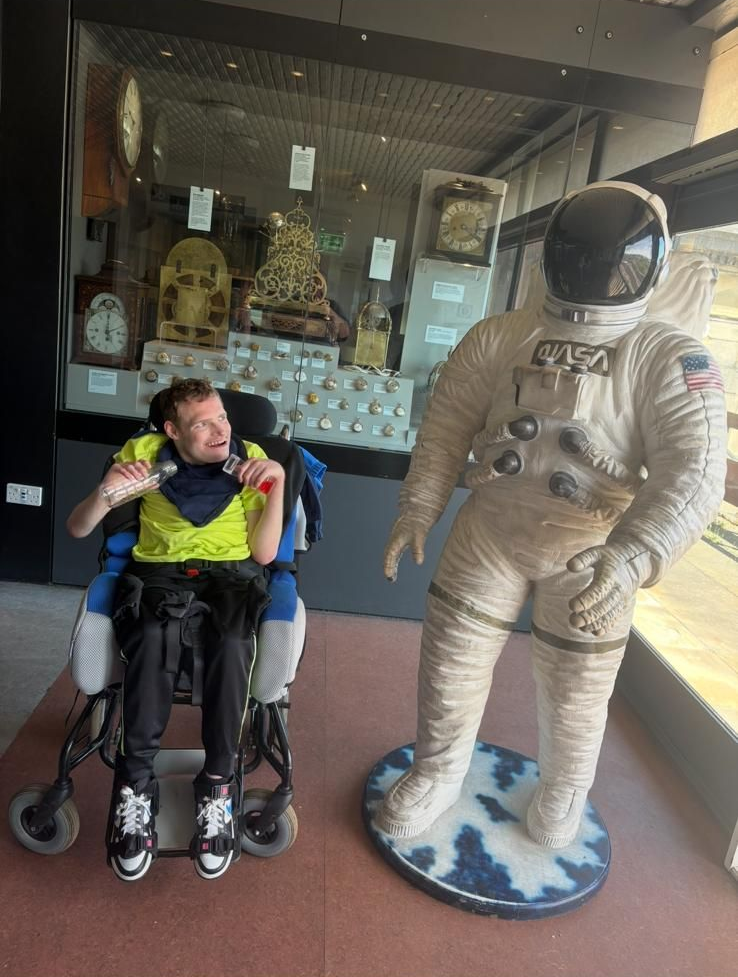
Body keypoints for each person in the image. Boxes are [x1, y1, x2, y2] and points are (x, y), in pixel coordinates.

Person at [379, 181, 727, 847]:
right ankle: (438, 769)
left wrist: (632, 555)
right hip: (492, 528)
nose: (595, 272)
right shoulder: (503, 336)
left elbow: (696, 469)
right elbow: (447, 424)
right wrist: (417, 507)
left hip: (592, 548)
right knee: (451, 659)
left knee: (575, 688)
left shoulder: (668, 358)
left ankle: (565, 789)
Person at [67, 378, 285, 882]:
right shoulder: (144, 454)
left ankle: (217, 785)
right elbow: (79, 528)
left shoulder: (248, 460)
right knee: (154, 636)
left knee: (232, 644)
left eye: (223, 417)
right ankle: (135, 785)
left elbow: (266, 555)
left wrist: (275, 485)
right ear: (172, 429)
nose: (220, 431)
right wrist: (108, 493)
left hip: (232, 575)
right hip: (158, 574)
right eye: (203, 423)